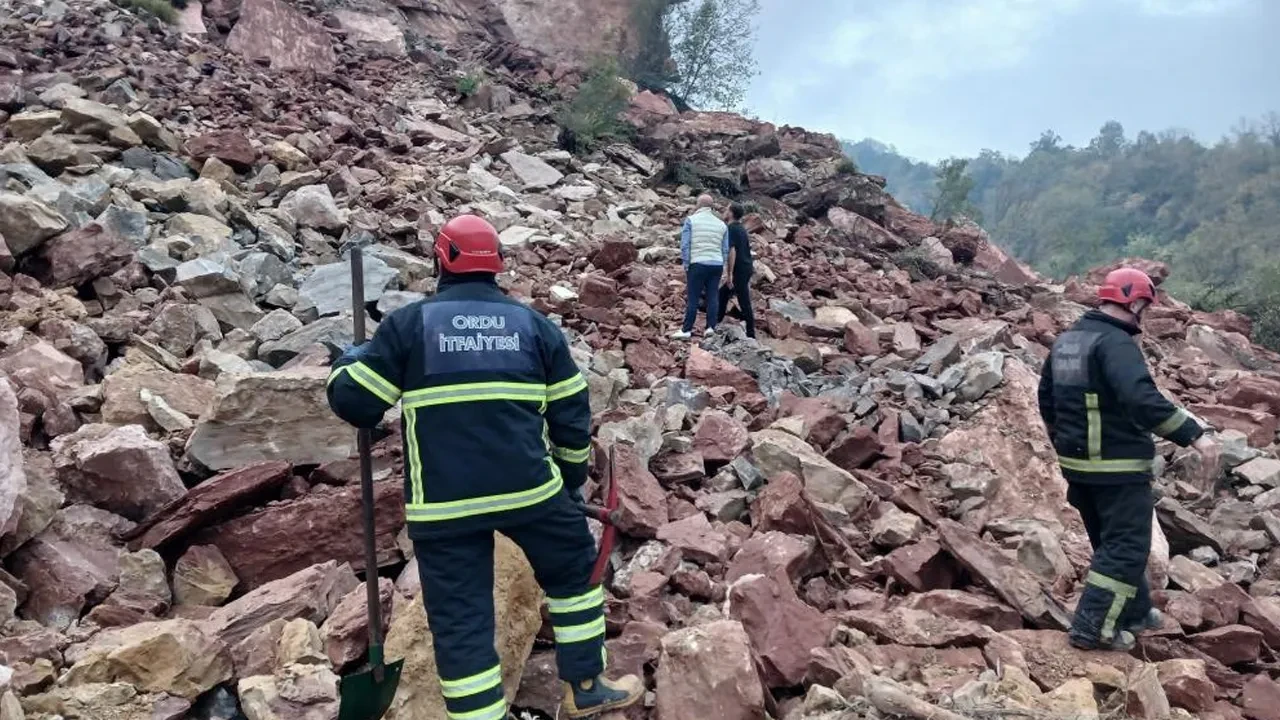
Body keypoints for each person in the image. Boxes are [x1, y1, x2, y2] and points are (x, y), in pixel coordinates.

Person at [326, 214, 643, 720]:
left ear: (442, 258)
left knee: (460, 620)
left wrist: (350, 360)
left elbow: (357, 404)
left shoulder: (410, 326)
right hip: (528, 493)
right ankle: (585, 686)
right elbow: (571, 411)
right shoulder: (533, 326)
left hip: (444, 506)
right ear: (497, 264)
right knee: (575, 571)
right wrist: (569, 480)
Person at [1037, 266, 1219, 652]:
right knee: (1126, 547)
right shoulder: (1116, 344)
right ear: (1134, 302)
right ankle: (1092, 628)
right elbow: (1141, 400)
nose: (1146, 314)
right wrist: (1194, 435)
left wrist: (1066, 443)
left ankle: (1135, 611)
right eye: (1146, 306)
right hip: (1116, 467)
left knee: (1113, 541)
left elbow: (1047, 400)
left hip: (1079, 466)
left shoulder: (1069, 341)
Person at [672, 193, 729, 339]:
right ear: (711, 206)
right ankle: (710, 327)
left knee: (693, 297)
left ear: (699, 205)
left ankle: (686, 330)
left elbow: (685, 245)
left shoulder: (691, 220)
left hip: (697, 263)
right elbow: (725, 248)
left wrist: (686, 263)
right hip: (716, 264)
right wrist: (721, 262)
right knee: (713, 296)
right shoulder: (722, 224)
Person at [715, 202, 756, 339]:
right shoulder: (741, 228)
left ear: (731, 213)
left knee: (744, 300)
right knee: (723, 293)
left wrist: (729, 274)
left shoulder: (731, 229)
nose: (724, 211)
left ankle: (751, 334)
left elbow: (732, 251)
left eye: (726, 209)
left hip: (739, 270)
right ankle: (716, 322)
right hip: (746, 266)